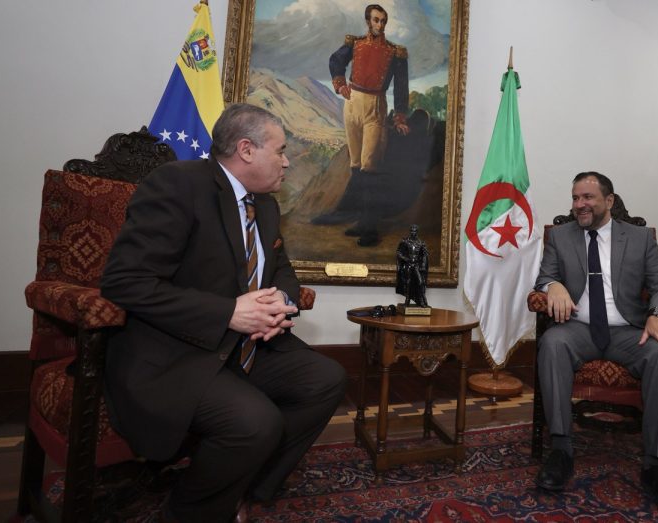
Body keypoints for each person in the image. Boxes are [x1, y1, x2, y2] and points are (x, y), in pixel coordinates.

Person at [101, 103, 347, 523]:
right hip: (177, 353)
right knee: (256, 423)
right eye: (281, 150)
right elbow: (125, 282)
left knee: (326, 379)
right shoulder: (177, 185)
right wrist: (227, 312)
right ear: (247, 150)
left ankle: (243, 486)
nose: (287, 162)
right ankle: (189, 512)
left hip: (243, 348)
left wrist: (281, 299)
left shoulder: (265, 206)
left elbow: (282, 269)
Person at [533, 172, 658, 518]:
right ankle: (561, 450)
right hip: (578, 329)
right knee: (552, 343)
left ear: (609, 201)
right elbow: (544, 277)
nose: (579, 205)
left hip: (628, 331)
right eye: (575, 198)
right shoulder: (560, 236)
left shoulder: (639, 238)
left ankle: (656, 465)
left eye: (588, 197)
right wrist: (552, 286)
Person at [323, 3, 409, 247]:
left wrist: (400, 116)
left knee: (370, 166)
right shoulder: (355, 44)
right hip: (352, 104)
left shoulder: (395, 52)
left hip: (375, 107)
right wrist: (340, 84)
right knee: (356, 165)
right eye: (376, 20)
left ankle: (371, 229)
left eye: (383, 20)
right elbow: (335, 61)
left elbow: (401, 86)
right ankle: (362, 222)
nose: (380, 24)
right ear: (368, 21)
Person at [396, 224, 429, 308]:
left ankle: (421, 301)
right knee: (408, 282)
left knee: (420, 282)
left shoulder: (421, 243)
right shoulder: (405, 241)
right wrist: (405, 258)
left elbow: (425, 255)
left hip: (417, 265)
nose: (413, 233)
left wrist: (423, 265)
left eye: (414, 231)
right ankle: (407, 301)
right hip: (408, 265)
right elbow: (398, 252)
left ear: (417, 232)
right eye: (411, 231)